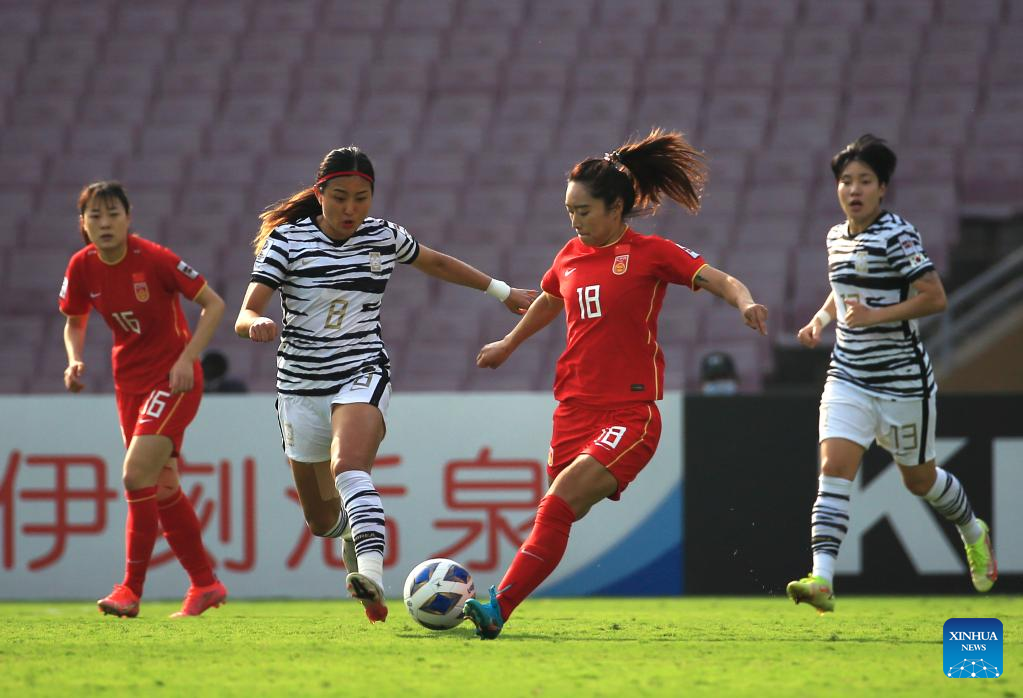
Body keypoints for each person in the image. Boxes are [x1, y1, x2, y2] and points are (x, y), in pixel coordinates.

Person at [464, 128, 769, 639]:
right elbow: (550, 299)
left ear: (616, 207)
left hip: (629, 414)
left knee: (556, 504)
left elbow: (717, 278)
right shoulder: (569, 255)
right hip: (573, 409)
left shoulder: (650, 253)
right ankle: (501, 603)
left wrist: (745, 301)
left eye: (583, 210)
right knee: (556, 514)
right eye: (569, 210)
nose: (575, 220)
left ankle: (498, 606)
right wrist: (508, 344)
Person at [234, 146, 535, 624]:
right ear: (319, 194)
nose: (350, 208)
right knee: (320, 520)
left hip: (361, 372)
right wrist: (255, 322)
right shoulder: (287, 242)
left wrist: (502, 292)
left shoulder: (384, 236)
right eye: (339, 197)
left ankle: (371, 573)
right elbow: (247, 311)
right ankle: (351, 532)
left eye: (361, 198)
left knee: (349, 466)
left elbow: (437, 263)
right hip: (299, 388)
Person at [786, 135, 997, 614]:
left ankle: (972, 530)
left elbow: (934, 297)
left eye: (865, 181)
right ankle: (822, 580)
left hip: (902, 382)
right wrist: (821, 320)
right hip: (847, 375)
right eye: (846, 181)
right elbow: (842, 288)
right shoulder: (836, 237)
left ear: (882, 188)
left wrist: (875, 316)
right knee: (833, 469)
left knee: (918, 481)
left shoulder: (897, 235)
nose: (854, 190)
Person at [59, 181, 228, 618]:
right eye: (95, 216)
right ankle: (205, 584)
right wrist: (75, 359)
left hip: (174, 379)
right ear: (83, 224)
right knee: (163, 485)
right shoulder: (82, 266)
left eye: (113, 213)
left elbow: (213, 304)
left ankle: (130, 590)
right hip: (128, 383)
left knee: (136, 476)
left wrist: (188, 359)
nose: (104, 223)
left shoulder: (154, 258)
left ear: (128, 218)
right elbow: (74, 320)